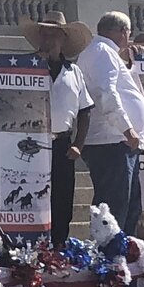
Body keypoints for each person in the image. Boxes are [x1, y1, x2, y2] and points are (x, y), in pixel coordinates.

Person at [78, 11, 144, 234]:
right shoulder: (102, 52)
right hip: (113, 141)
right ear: (122, 32)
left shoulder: (103, 52)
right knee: (114, 208)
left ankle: (122, 254)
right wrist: (127, 129)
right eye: (128, 33)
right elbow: (105, 93)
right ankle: (110, 259)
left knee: (128, 207)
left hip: (119, 142)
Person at [24, 16, 93, 246]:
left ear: (63, 39)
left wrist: (79, 144)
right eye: (43, 34)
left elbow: (85, 111)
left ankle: (59, 245)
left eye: (53, 34)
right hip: (31, 143)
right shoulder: (24, 68)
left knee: (62, 198)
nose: (47, 39)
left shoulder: (74, 72)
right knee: (31, 195)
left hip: (62, 144)